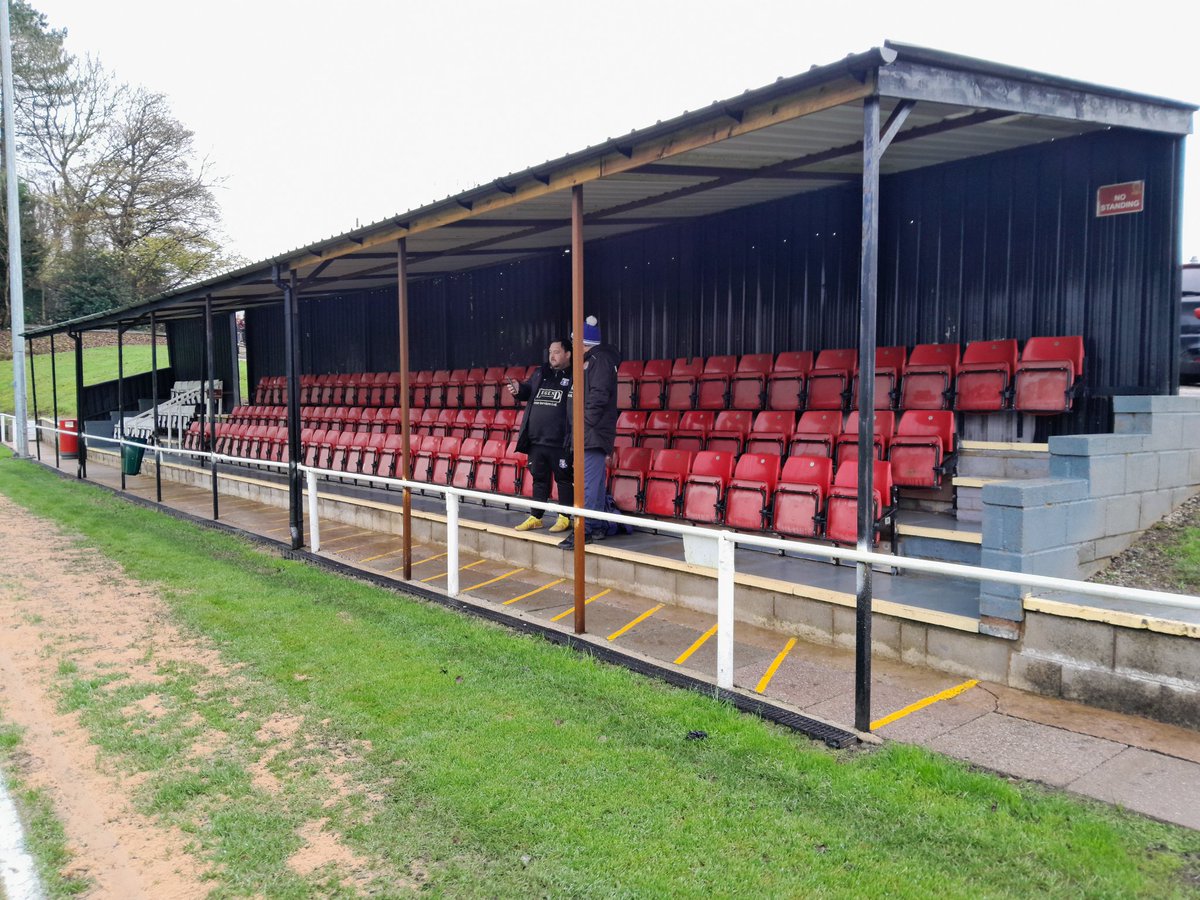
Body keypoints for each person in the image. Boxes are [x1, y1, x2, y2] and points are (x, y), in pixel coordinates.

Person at [561, 315, 621, 549]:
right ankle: (594, 526)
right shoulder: (590, 360)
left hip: (591, 434)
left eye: (574, 341)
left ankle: (583, 531)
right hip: (586, 433)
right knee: (592, 485)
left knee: (587, 485)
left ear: (583, 342)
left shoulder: (599, 360)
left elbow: (598, 397)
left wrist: (583, 424)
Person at [509, 338, 573, 533]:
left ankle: (564, 517)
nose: (552, 356)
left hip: (560, 440)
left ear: (568, 354)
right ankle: (536, 517)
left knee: (564, 479)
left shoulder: (575, 375)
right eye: (550, 352)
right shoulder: (541, 372)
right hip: (536, 439)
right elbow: (527, 390)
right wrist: (518, 390)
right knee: (539, 479)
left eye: (556, 352)